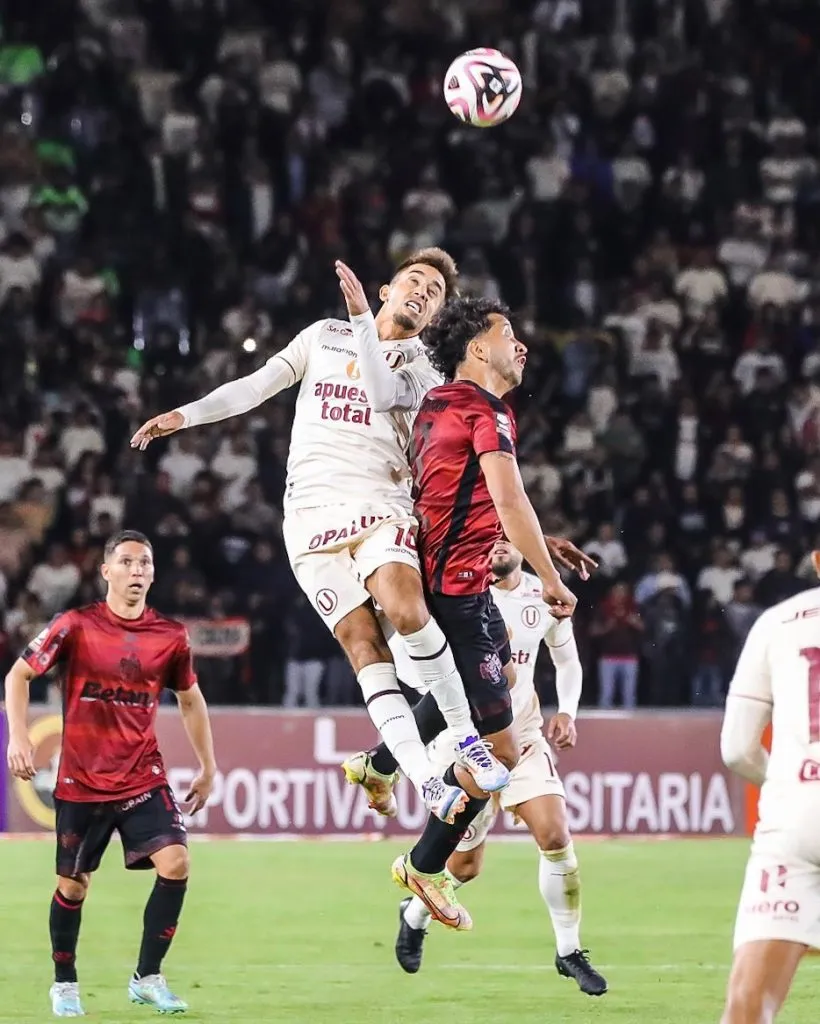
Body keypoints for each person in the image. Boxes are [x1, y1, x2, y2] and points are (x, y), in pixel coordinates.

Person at [130, 251, 510, 822]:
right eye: (414, 281)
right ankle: (425, 780)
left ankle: (464, 739)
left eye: (434, 292)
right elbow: (254, 387)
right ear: (386, 290)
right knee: (364, 647)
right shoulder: (322, 337)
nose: (422, 293)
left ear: (435, 315)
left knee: (407, 610)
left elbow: (380, 392)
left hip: (381, 505)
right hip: (309, 520)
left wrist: (360, 320)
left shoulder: (429, 370)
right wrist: (186, 415)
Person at [387, 295, 577, 930]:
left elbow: (454, 500)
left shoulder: (435, 404)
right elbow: (508, 498)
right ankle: (423, 863)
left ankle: (380, 761)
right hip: (459, 597)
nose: (520, 345)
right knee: (499, 751)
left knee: (499, 675)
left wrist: (542, 544)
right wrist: (551, 581)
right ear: (477, 348)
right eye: (508, 333)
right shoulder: (486, 410)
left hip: (446, 585)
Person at [5, 530, 217, 1018]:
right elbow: (19, 674)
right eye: (127, 562)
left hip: (142, 776)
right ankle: (64, 984)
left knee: (176, 863)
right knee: (73, 886)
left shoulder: (170, 636)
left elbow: (190, 700)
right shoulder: (75, 625)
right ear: (106, 571)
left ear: (153, 574)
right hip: (82, 780)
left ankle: (148, 977)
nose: (137, 570)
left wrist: (208, 766)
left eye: (145, 563)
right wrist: (18, 736)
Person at [391, 540, 607, 995]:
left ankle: (568, 951)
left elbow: (567, 661)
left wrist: (568, 711)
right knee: (465, 866)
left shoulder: (543, 595)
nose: (498, 546)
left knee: (555, 836)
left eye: (507, 537)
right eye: (492, 539)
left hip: (522, 736)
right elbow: (409, 660)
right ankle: (414, 914)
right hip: (463, 744)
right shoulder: (453, 595)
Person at [719, 550, 820, 1023]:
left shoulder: (778, 622)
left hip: (795, 818)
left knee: (748, 1007)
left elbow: (737, 750)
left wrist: (788, 780)